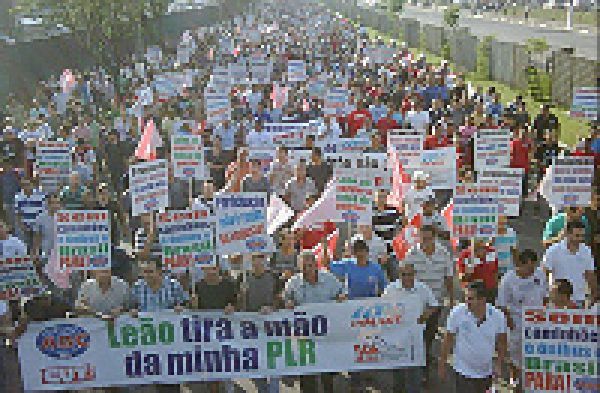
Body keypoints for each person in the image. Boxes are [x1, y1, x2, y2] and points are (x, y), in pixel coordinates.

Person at [282, 251, 345, 393]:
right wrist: (288, 302)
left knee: (327, 373)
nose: (306, 270)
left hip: (325, 334)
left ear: (316, 265)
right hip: (304, 335)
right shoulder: (293, 283)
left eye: (309, 266)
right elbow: (284, 297)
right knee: (307, 374)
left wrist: (342, 296)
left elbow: (342, 291)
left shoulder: (329, 279)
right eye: (303, 267)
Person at [439, 280, 508, 393]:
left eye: (470, 298)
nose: (467, 302)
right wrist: (442, 363)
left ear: (482, 299)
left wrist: (499, 364)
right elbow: (448, 340)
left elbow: (502, 342)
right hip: (462, 371)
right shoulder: (457, 313)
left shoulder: (498, 317)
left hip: (486, 372)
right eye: (466, 297)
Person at [496, 249, 548, 389]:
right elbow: (501, 304)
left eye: (534, 267)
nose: (532, 271)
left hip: (537, 320)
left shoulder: (539, 275)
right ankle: (514, 376)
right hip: (516, 321)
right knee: (515, 351)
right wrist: (509, 321)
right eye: (529, 268)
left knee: (535, 350)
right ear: (520, 264)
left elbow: (545, 296)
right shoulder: (508, 280)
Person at [383, 263, 439, 392]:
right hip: (397, 336)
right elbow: (382, 307)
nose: (407, 278)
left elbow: (434, 305)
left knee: (415, 371)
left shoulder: (422, 288)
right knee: (398, 370)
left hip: (416, 336)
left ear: (415, 274)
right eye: (404, 274)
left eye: (410, 274)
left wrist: (426, 314)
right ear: (399, 275)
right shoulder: (391, 289)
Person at [542, 221, 595, 307]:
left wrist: (593, 295)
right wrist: (546, 295)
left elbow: (590, 275)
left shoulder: (586, 251)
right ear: (568, 234)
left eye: (582, 236)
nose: (580, 239)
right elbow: (544, 274)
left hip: (579, 300)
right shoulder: (553, 251)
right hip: (558, 301)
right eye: (577, 235)